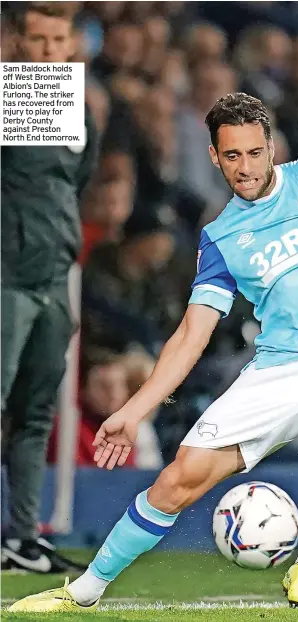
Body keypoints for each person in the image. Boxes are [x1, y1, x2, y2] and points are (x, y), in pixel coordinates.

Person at [9, 92, 298, 614]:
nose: (245, 168)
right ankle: (80, 592)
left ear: (272, 148)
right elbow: (191, 335)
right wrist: (134, 410)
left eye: (254, 153)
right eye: (232, 156)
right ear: (216, 157)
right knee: (176, 483)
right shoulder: (222, 237)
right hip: (277, 372)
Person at [1, 2, 97, 573]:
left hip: (54, 274)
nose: (45, 52)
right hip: (8, 275)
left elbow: (69, 185)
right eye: (35, 40)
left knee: (36, 413)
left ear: (70, 44)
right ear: (15, 41)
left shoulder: (77, 109)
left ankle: (20, 539)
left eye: (55, 40)